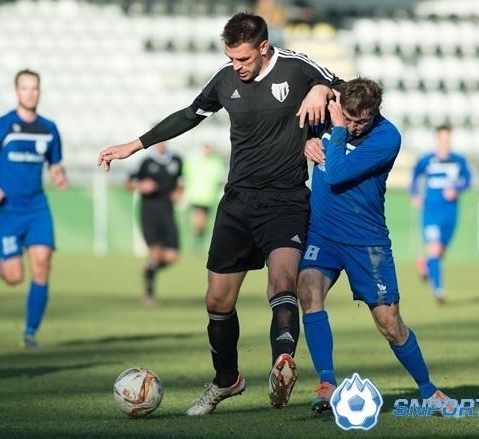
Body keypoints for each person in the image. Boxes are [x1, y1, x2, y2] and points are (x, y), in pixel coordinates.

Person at [98, 12, 343, 415]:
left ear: (263, 47)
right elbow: (189, 114)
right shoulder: (226, 79)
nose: (237, 66)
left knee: (283, 281)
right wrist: (135, 145)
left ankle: (282, 364)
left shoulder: (297, 68)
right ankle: (226, 380)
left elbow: (349, 90)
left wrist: (321, 88)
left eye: (243, 58)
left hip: (285, 200)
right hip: (238, 202)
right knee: (217, 300)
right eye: (231, 58)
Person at [299, 78, 453, 414]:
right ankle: (327, 384)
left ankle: (429, 390)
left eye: (361, 121)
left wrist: (337, 129)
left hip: (366, 241)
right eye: (348, 119)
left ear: (375, 112)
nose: (354, 126)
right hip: (323, 233)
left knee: (389, 323)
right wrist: (307, 142)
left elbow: (336, 173)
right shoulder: (328, 114)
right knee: (308, 290)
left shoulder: (387, 137)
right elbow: (299, 124)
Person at [0, 69, 67, 350]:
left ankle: (30, 333)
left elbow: (55, 164)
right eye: (25, 88)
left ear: (40, 92)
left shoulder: (49, 128)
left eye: (34, 88)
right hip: (6, 210)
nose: (30, 93)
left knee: (42, 262)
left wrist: (59, 175)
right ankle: (1, 260)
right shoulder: (1, 125)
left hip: (36, 207)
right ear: (16, 92)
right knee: (14, 277)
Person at [410, 125, 471, 304]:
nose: (445, 142)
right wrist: (415, 194)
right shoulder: (427, 160)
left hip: (450, 212)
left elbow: (468, 180)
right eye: (442, 139)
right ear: (437, 139)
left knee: (440, 252)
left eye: (447, 139)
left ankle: (425, 264)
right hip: (430, 212)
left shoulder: (459, 160)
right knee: (435, 249)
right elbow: (414, 176)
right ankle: (439, 291)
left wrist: (457, 189)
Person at [127, 141, 184, 306]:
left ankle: (149, 270)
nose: (161, 143)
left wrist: (179, 192)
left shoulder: (176, 160)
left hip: (168, 212)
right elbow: (128, 184)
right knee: (156, 253)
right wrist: (140, 185)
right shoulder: (144, 161)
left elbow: (181, 181)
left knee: (172, 256)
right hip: (149, 213)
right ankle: (150, 295)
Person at [182, 143, 226, 253]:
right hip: (195, 196)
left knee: (203, 223)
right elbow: (185, 176)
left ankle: (198, 242)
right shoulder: (194, 161)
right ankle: (196, 242)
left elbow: (220, 179)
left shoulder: (217, 162)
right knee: (196, 220)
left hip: (209, 198)